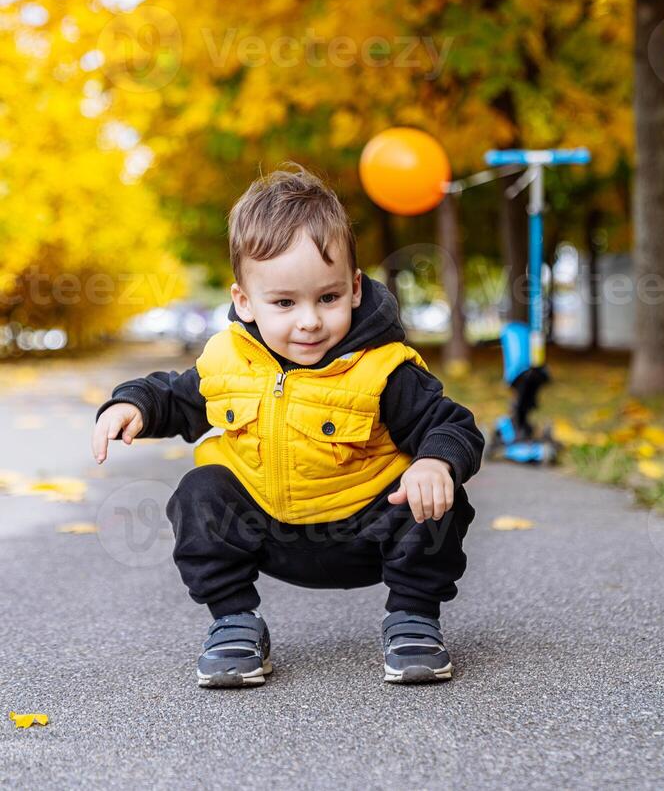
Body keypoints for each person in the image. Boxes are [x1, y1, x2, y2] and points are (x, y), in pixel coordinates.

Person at [93, 164, 483, 688]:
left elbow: (452, 423)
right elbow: (176, 395)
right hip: (269, 530)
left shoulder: (384, 368)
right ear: (244, 302)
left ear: (355, 288)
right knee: (200, 491)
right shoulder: (226, 360)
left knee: (436, 495)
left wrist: (436, 461)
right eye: (284, 303)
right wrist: (132, 405)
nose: (309, 320)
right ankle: (234, 623)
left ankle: (414, 619)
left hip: (365, 529)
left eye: (328, 297)